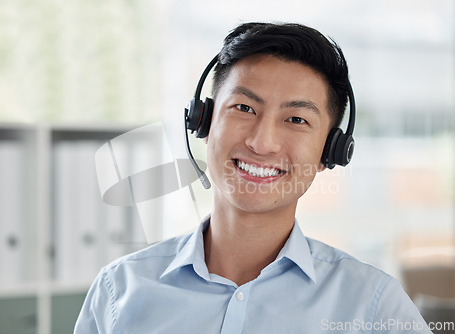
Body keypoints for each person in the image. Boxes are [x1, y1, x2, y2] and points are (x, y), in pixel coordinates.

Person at [74, 22, 432, 333]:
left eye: (296, 120)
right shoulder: (118, 292)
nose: (262, 143)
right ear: (204, 122)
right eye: (244, 108)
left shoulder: (373, 306)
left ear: (330, 152)